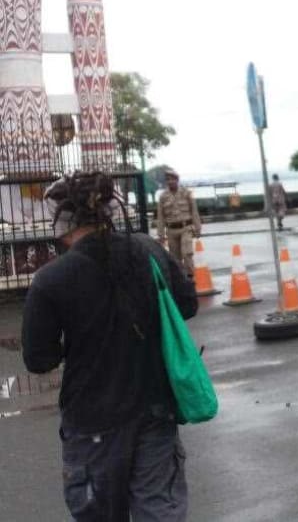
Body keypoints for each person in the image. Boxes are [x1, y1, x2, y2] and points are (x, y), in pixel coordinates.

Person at [22, 171, 198, 521]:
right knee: (159, 512)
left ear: (61, 221)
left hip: (92, 423)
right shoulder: (148, 250)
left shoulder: (51, 279)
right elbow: (187, 304)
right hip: (155, 408)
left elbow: (38, 359)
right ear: (109, 211)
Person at [156, 169, 201, 280]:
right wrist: (160, 234)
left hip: (186, 228)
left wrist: (198, 228)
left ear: (177, 180)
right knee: (175, 258)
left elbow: (194, 211)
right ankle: (180, 280)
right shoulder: (163, 196)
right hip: (171, 231)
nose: (170, 181)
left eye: (172, 179)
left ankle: (190, 278)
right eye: (168, 180)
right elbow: (160, 217)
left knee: (187, 253)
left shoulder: (187, 193)